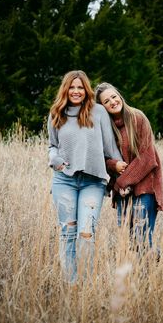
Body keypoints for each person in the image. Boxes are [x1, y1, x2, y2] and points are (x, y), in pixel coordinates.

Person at [47, 71, 122, 284]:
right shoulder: (55, 113)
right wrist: (55, 159)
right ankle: (71, 286)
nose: (76, 91)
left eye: (80, 87)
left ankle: (85, 285)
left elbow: (110, 148)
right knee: (68, 233)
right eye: (72, 87)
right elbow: (52, 145)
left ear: (86, 90)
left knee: (86, 234)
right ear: (65, 89)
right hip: (64, 180)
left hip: (93, 182)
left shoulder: (98, 112)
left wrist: (120, 178)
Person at [95, 82, 163, 254]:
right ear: (101, 107)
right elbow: (99, 157)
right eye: (106, 101)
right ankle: (154, 267)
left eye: (114, 96)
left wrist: (121, 182)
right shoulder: (104, 128)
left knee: (142, 239)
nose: (112, 102)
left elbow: (148, 158)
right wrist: (113, 165)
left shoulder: (137, 118)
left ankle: (152, 272)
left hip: (143, 188)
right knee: (130, 242)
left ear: (120, 96)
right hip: (122, 194)